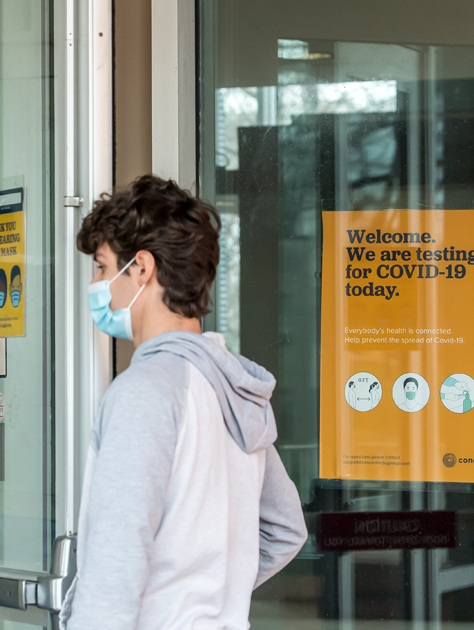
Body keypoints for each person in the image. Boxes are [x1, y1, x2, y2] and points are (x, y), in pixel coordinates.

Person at [62, 174, 307, 630]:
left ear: (141, 267)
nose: (96, 282)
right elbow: (286, 529)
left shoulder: (144, 391)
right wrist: (209, 598)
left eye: (101, 266)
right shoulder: (234, 388)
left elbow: (116, 564)